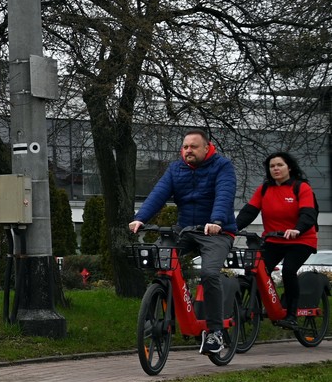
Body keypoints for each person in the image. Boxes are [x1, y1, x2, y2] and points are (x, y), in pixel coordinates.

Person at [128, 129, 237, 355]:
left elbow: (224, 195)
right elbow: (158, 194)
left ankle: (216, 332)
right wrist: (140, 218)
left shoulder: (222, 166)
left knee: (208, 274)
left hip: (217, 231)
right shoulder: (176, 169)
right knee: (157, 258)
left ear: (207, 148)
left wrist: (216, 220)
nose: (188, 151)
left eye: (193, 147)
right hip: (185, 229)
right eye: (185, 147)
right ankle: (165, 308)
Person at [235, 151, 318, 329]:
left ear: (289, 167)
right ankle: (265, 306)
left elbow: (308, 213)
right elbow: (249, 212)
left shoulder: (301, 187)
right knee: (254, 270)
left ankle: (291, 314)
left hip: (301, 240)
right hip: (273, 240)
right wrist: (232, 229)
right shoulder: (264, 189)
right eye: (272, 166)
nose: (275, 169)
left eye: (279, 165)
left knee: (288, 270)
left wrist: (297, 229)